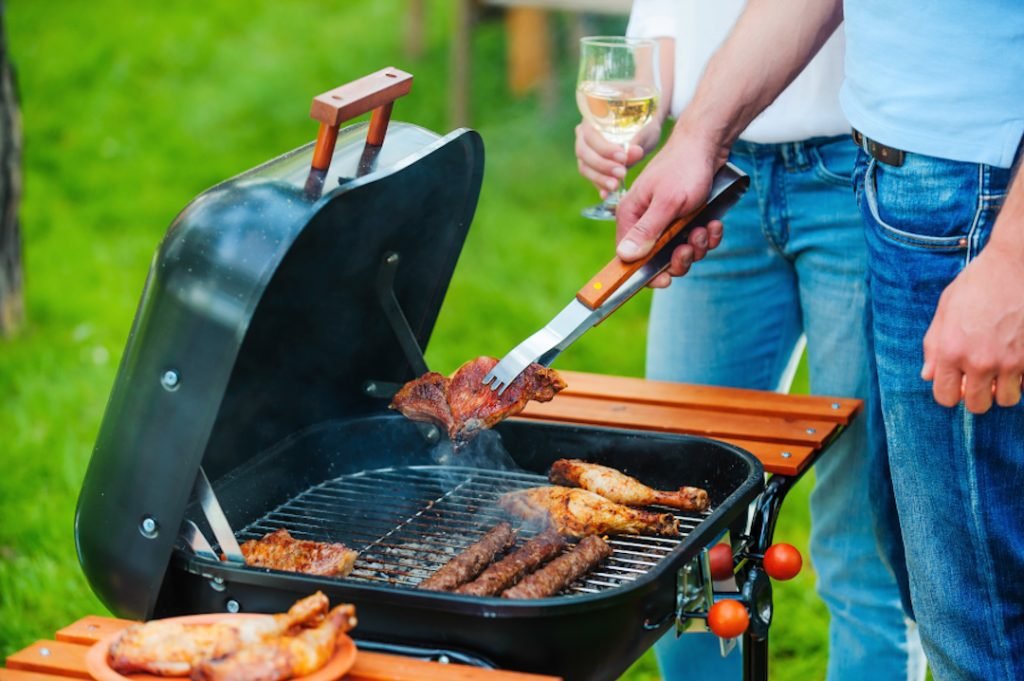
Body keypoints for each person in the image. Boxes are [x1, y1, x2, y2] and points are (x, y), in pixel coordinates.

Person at [602, 0, 1024, 678]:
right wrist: (690, 131)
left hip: (923, 180)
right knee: (684, 522)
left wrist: (1014, 259)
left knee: (925, 580)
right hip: (815, 167)